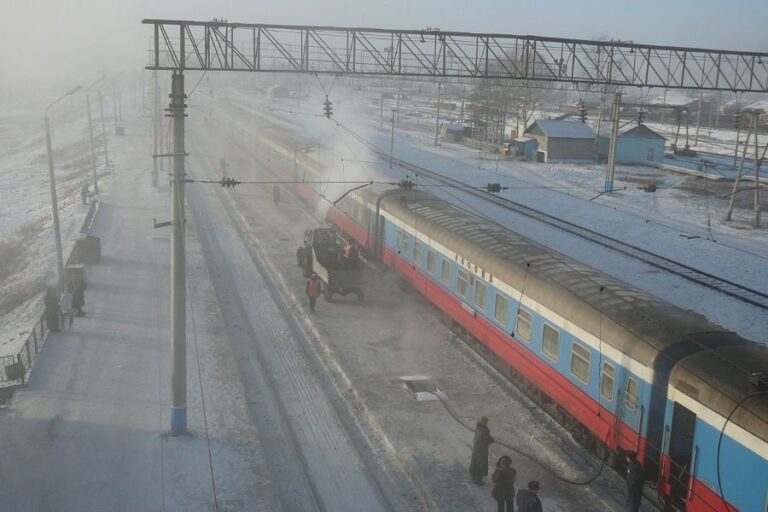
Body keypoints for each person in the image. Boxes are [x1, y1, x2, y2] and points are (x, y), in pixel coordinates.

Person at [469, 416, 494, 485]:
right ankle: (478, 480)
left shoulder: (478, 427)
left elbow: (480, 437)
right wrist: (491, 440)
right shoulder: (485, 430)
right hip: (482, 450)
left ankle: (473, 476)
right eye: (486, 422)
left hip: (476, 448)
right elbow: (484, 440)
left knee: (475, 461)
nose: (486, 423)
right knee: (481, 464)